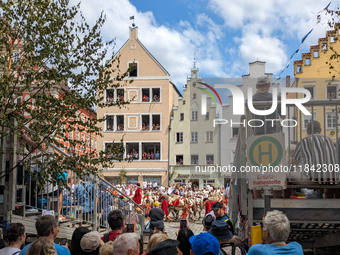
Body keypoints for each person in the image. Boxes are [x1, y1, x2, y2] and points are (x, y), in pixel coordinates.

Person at [288, 120, 340, 199]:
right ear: (320, 130)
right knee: (330, 178)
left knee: (287, 175)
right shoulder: (330, 141)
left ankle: (285, 204)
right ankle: (335, 205)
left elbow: (292, 166)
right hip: (333, 178)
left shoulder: (303, 141)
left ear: (307, 131)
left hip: (312, 179)